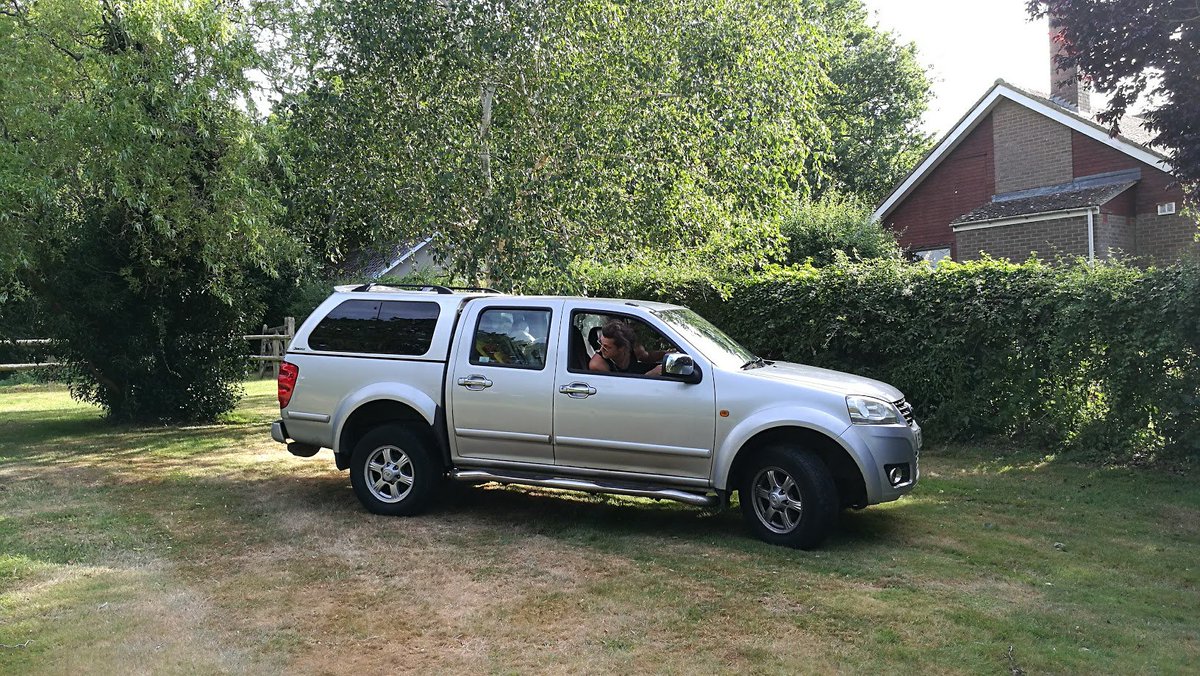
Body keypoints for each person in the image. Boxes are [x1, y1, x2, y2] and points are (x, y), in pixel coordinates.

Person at [588, 319, 665, 375]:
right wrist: (649, 375)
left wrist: (667, 353)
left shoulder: (633, 350)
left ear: (622, 348)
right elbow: (618, 388)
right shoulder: (597, 364)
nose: (601, 349)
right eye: (600, 343)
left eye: (606, 347)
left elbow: (648, 357)